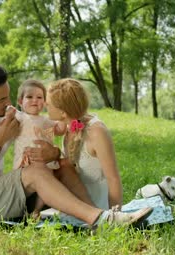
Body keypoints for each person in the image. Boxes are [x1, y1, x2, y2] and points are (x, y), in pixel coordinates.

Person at [0, 65, 152, 227]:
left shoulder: (2, 114)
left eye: (9, 95)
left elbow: (47, 124)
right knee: (37, 173)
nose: (9, 103)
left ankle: (98, 216)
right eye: (2, 99)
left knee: (62, 166)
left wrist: (59, 145)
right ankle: (100, 219)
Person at [25, 78, 123, 211]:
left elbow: (113, 179)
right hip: (73, 201)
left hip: (97, 205)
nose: (44, 105)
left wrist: (115, 216)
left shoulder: (97, 132)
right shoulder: (66, 124)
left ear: (63, 112)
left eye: (48, 104)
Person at [12, 79, 66, 170]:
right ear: (20, 102)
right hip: (25, 163)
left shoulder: (46, 120)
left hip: (46, 161)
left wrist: (62, 113)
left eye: (39, 97)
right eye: (29, 97)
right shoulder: (19, 117)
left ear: (45, 102)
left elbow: (60, 130)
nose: (35, 100)